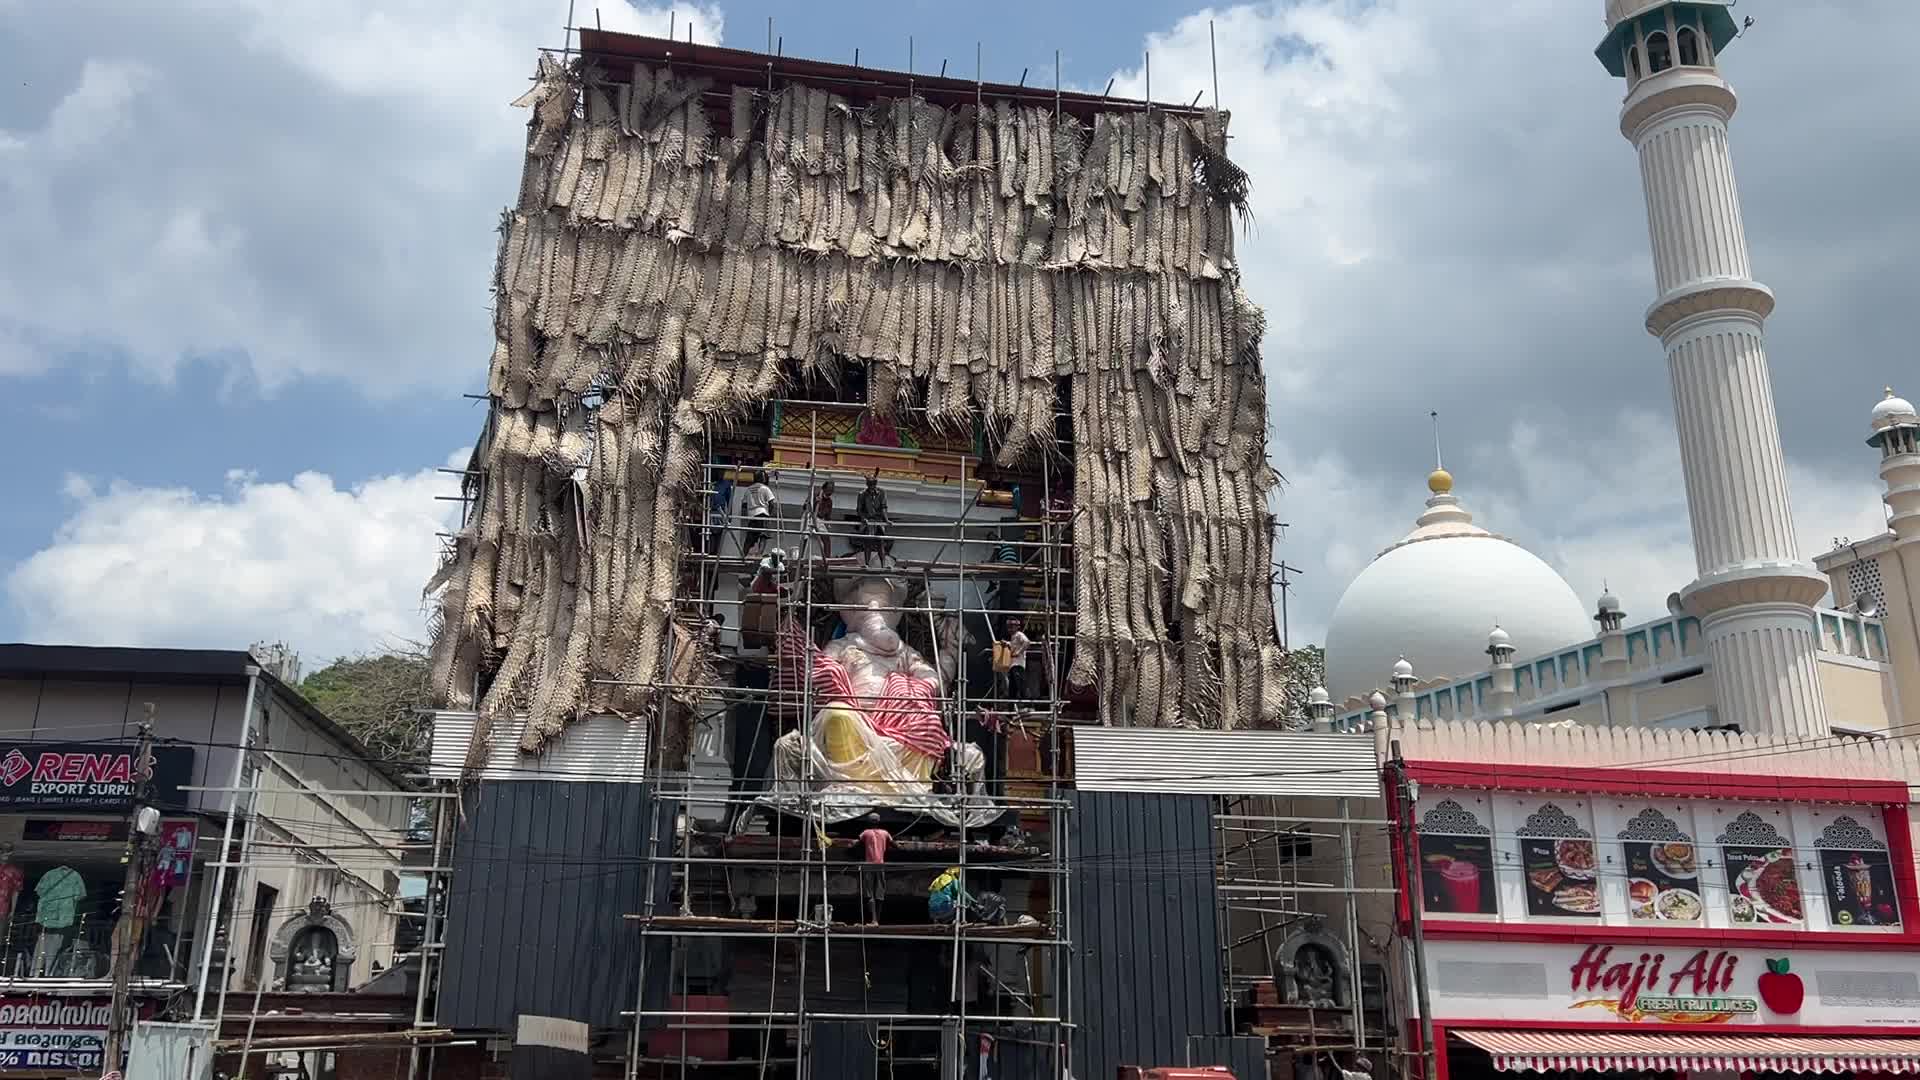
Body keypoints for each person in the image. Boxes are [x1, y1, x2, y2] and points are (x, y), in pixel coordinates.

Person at [854, 472, 891, 567]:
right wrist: (863, 519)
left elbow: (883, 507)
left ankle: (883, 565)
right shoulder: (862, 494)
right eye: (870, 485)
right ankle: (866, 563)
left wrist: (886, 520)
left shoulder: (882, 492)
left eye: (873, 484)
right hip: (868, 520)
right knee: (868, 543)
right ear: (867, 485)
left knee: (880, 543)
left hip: (878, 520)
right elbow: (859, 510)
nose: (872, 487)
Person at [740, 470, 776, 556]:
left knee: (750, 537)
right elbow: (771, 503)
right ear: (761, 478)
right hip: (763, 513)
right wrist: (769, 514)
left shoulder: (748, 489)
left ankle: (743, 555)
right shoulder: (765, 488)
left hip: (752, 516)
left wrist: (749, 511)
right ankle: (759, 554)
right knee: (763, 536)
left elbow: (744, 505)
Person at [1002, 617, 1032, 705]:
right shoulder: (1013, 637)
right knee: (1012, 688)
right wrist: (1007, 644)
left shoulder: (1019, 634)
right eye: (1008, 626)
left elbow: (1027, 642)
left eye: (1012, 626)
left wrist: (1018, 652)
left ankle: (1028, 705)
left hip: (1018, 664)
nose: (1010, 629)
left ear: (1017, 627)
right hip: (1012, 665)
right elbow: (1013, 645)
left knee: (1021, 685)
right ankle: (1010, 710)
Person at [807, 480, 836, 559]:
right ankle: (801, 556)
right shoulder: (816, 494)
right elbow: (806, 506)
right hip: (811, 517)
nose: (831, 491)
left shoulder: (829, 501)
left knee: (827, 539)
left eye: (832, 489)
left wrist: (828, 524)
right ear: (825, 488)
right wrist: (815, 502)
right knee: (805, 537)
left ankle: (827, 558)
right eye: (829, 489)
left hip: (819, 520)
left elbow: (828, 516)